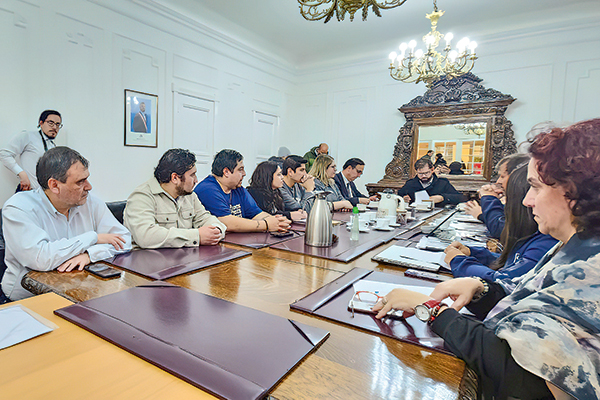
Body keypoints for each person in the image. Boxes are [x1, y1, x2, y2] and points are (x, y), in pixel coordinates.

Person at [373, 118, 600, 400]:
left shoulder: (592, 269)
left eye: (536, 187)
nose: (526, 201)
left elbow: (527, 378)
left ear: (576, 192)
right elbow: (522, 298)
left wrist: (430, 309)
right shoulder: (576, 247)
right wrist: (482, 289)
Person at [1, 147, 131, 301]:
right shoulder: (18, 207)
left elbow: (124, 239)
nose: (89, 187)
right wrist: (93, 238)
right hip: (28, 299)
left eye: (86, 178)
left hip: (80, 293)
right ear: (54, 185)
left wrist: (90, 255)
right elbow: (41, 259)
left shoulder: (89, 201)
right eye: (80, 182)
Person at [444, 164, 558, 281]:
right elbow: (514, 261)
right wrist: (473, 253)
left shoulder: (545, 242)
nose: (526, 201)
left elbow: (505, 282)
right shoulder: (538, 236)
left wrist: (459, 261)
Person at [124, 149, 226, 249]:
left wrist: (216, 231)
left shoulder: (189, 195)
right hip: (147, 260)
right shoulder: (142, 196)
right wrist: (197, 236)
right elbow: (146, 236)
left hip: (183, 258)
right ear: (175, 178)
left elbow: (206, 218)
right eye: (192, 175)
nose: (196, 180)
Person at [194, 149, 290, 232]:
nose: (244, 174)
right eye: (240, 169)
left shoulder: (237, 188)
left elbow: (257, 213)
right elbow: (227, 223)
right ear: (226, 172)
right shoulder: (208, 189)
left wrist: (276, 221)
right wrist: (266, 224)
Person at [464, 153, 530, 238]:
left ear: (517, 177)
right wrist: (482, 214)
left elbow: (502, 230)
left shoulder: (527, 201)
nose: (498, 181)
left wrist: (489, 198)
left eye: (502, 176)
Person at [0, 110, 61, 191]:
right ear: (41, 123)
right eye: (51, 123)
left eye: (58, 124)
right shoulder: (28, 136)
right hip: (28, 191)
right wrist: (21, 173)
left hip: (44, 195)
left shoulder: (53, 146)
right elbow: (4, 154)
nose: (54, 127)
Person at [397, 158, 465, 206]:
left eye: (426, 173)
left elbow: (461, 198)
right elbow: (399, 196)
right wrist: (403, 198)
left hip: (438, 215)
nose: (423, 176)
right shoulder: (410, 184)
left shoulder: (442, 183)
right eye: (420, 173)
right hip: (415, 215)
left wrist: (442, 197)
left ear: (432, 170)